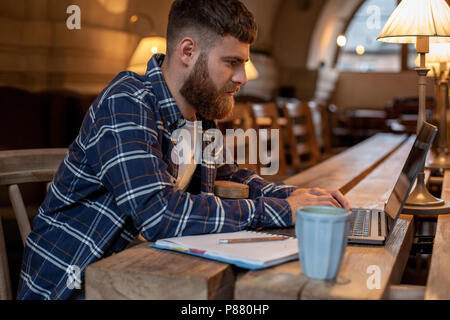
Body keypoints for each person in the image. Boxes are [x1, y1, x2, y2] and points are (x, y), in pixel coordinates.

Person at [17, 0, 350, 300]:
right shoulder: (128, 101)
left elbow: (233, 177)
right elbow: (159, 214)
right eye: (232, 62)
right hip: (75, 285)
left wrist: (301, 197)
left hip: (146, 272)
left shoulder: (201, 114)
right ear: (187, 52)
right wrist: (283, 210)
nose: (242, 77)